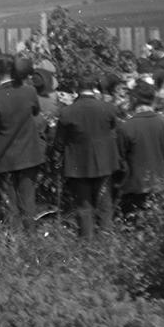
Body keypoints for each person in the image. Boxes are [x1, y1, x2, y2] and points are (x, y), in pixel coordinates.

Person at [53, 69, 122, 238]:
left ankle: (87, 241)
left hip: (78, 165)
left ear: (77, 87)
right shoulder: (108, 109)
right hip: (104, 162)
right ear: (94, 87)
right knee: (105, 204)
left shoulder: (67, 112)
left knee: (84, 206)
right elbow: (115, 131)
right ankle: (106, 239)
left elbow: (59, 144)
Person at [0, 56, 45, 230]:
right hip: (29, 155)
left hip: (4, 159)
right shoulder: (30, 92)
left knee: (11, 208)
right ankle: (30, 241)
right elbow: (36, 112)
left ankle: (15, 247)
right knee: (28, 204)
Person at [115, 81, 164, 217]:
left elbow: (119, 160)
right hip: (160, 185)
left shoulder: (127, 127)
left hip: (134, 187)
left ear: (134, 99)